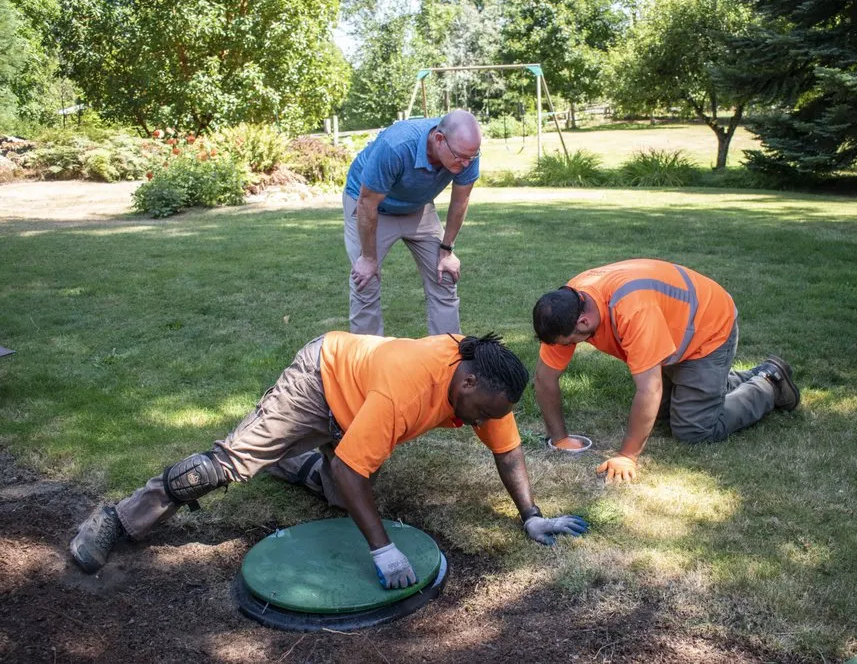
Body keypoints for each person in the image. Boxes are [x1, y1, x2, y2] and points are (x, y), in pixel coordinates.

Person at [70, 332, 588, 587]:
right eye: (478, 413)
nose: (480, 424)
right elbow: (351, 466)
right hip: (321, 379)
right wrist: (383, 551)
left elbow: (509, 451)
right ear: (466, 381)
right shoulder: (409, 391)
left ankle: (283, 459)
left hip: (363, 406)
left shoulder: (488, 390)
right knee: (222, 468)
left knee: (344, 492)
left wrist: (531, 515)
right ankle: (116, 519)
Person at [532, 259, 800, 484]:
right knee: (661, 415)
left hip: (707, 329)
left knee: (692, 428)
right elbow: (545, 379)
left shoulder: (632, 310)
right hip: (669, 332)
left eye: (570, 342)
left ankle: (769, 382)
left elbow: (649, 389)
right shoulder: (569, 305)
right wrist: (560, 438)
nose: (568, 348)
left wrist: (627, 455)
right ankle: (716, 385)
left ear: (584, 321)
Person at [344, 110, 482, 337]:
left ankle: (447, 359)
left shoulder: (466, 151)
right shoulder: (397, 145)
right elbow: (367, 202)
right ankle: (366, 365)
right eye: (460, 158)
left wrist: (447, 250)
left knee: (444, 275)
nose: (467, 164)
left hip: (418, 206)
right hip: (372, 206)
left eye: (472, 157)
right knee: (365, 280)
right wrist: (368, 258)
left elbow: (461, 200)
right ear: (439, 140)